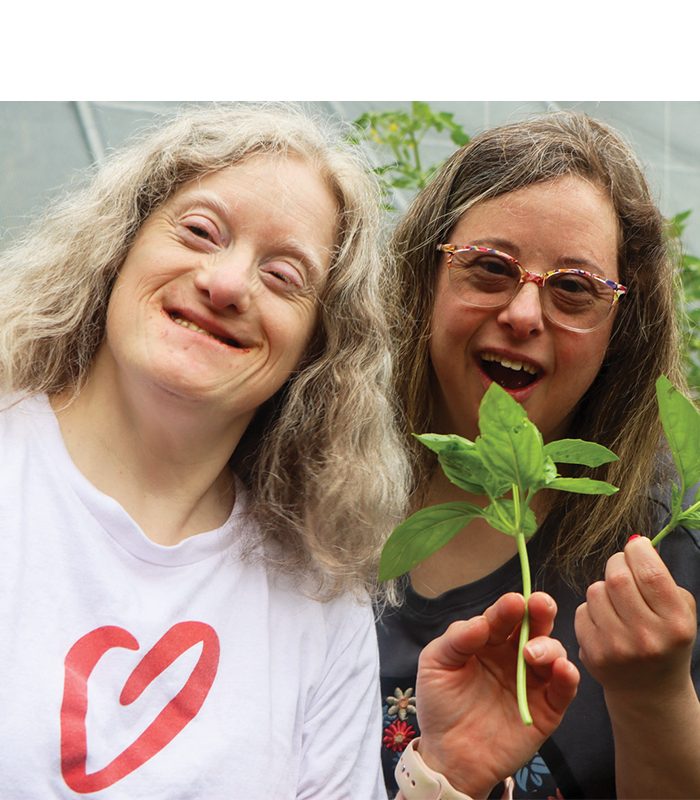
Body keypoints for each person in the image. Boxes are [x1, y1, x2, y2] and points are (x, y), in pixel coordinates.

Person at [0, 103, 578, 800]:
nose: (227, 284)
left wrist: (443, 780)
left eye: (283, 276)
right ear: (120, 241)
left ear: (319, 350)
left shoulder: (316, 600)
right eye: (200, 231)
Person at [378, 111, 700, 800]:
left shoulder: (667, 546)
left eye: (574, 287)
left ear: (622, 326)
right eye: (491, 268)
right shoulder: (307, 488)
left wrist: (654, 698)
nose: (525, 314)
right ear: (425, 275)